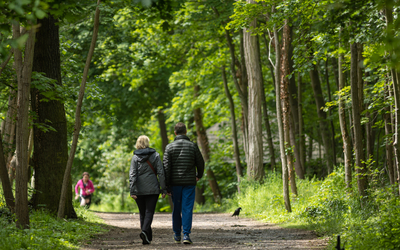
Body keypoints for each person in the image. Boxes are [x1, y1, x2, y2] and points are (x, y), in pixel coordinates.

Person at [163, 122, 205, 244]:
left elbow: (166, 167)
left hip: (175, 184)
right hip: (189, 183)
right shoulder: (193, 146)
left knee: (177, 208)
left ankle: (177, 234)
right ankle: (186, 235)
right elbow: (201, 163)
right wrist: (198, 175)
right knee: (187, 208)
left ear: (175, 133)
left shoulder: (169, 147)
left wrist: (167, 185)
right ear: (186, 132)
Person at [129, 135, 167, 245]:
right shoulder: (155, 155)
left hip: (139, 189)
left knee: (142, 213)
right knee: (149, 212)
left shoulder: (135, 157)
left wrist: (132, 190)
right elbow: (161, 173)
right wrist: (163, 188)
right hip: (153, 189)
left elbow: (132, 175)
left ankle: (146, 237)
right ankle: (145, 233)